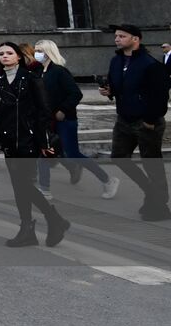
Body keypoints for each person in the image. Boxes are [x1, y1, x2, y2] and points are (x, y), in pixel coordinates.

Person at [0, 41, 69, 246]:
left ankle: (51, 220)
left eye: (9, 53)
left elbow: (43, 111)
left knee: (23, 183)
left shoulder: (31, 78)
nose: (4, 56)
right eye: (1, 54)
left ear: (19, 56)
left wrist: (43, 140)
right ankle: (33, 227)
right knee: (19, 186)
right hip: (8, 139)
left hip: (28, 139)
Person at [101, 24, 170, 222]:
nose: (117, 39)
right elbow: (118, 86)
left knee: (152, 166)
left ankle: (159, 205)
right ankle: (151, 192)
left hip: (146, 121)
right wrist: (109, 92)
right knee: (119, 157)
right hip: (124, 119)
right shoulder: (116, 61)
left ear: (135, 39)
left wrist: (149, 121)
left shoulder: (151, 64)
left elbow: (160, 96)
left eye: (122, 36)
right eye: (116, 36)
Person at [35, 39, 118, 199]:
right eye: (36, 50)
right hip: (47, 120)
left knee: (73, 153)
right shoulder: (40, 73)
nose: (36, 54)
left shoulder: (59, 71)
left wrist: (63, 110)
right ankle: (44, 189)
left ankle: (107, 180)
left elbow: (75, 93)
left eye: (40, 50)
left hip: (65, 120)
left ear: (48, 52)